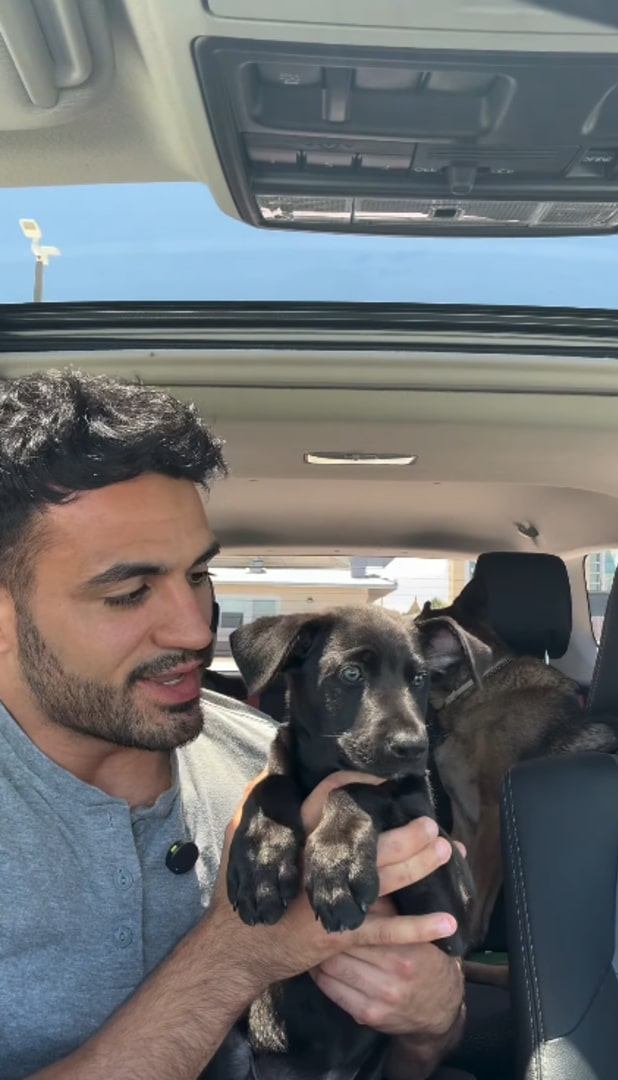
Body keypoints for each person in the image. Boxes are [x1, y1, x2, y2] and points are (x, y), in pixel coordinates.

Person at [0, 369, 466, 1080]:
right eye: (129, 593)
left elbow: (392, 1052)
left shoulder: (279, 762)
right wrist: (237, 955)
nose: (197, 631)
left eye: (199, 576)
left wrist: (431, 1022)